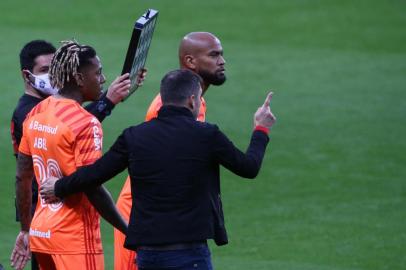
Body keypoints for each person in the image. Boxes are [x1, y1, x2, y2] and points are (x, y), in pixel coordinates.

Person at [39, 69, 276, 270]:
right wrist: (261, 129)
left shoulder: (134, 136)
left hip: (149, 256)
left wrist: (59, 186)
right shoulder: (207, 135)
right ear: (193, 101)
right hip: (190, 253)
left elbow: (94, 174)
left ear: (163, 99)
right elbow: (248, 167)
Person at [10, 39, 145, 270]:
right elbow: (92, 187)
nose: (102, 80)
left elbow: (22, 177)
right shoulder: (86, 123)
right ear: (80, 78)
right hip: (75, 238)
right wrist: (128, 231)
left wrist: (26, 229)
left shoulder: (37, 111)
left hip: (42, 233)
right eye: (98, 73)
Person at [114, 31, 225, 270]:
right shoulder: (171, 107)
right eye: (214, 54)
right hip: (143, 214)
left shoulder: (191, 102)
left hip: (152, 214)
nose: (222, 61)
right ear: (190, 61)